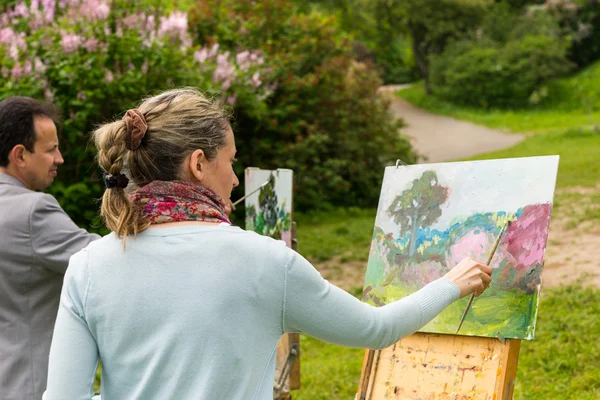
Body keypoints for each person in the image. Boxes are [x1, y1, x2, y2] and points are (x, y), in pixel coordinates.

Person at [43, 88, 492, 400]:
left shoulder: (87, 266)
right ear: (198, 163)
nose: (236, 178)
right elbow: (374, 330)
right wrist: (452, 281)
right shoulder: (264, 261)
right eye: (231, 161)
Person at [0, 96, 101, 400]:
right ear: (19, 155)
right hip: (28, 386)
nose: (60, 158)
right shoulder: (32, 211)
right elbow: (103, 262)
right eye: (51, 149)